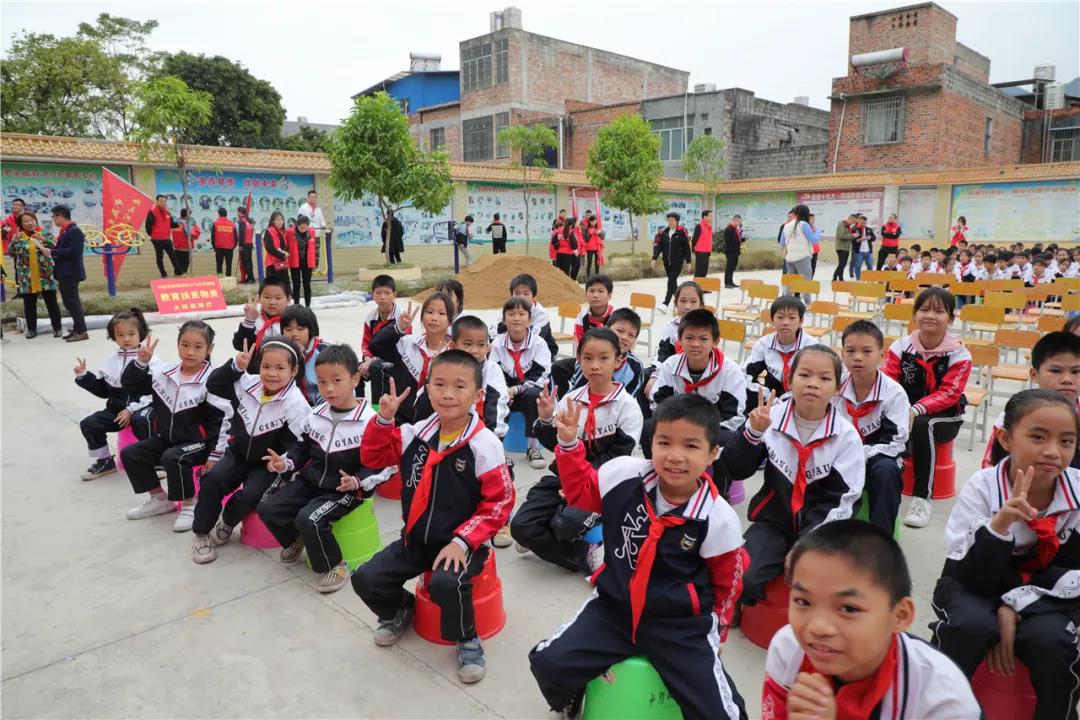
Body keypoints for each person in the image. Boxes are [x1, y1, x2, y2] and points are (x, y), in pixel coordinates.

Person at [529, 394, 749, 720]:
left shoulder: (718, 518)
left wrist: (717, 635)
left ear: (712, 453)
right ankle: (571, 697)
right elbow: (580, 494)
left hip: (680, 626)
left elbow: (727, 583)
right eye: (664, 442)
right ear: (651, 444)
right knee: (548, 663)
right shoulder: (623, 475)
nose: (675, 456)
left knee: (721, 714)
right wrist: (570, 444)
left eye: (691, 446)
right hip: (615, 608)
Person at [351, 351, 515, 684]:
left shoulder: (484, 444)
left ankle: (467, 637)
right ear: (427, 389)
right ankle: (401, 608)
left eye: (459, 386)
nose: (448, 394)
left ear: (478, 395)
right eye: (439, 384)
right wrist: (383, 420)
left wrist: (463, 541)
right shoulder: (415, 433)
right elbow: (373, 457)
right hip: (416, 539)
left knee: (444, 583)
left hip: (462, 545)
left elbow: (500, 503)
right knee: (365, 578)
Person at [931, 389, 1080, 720]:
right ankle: (934, 708)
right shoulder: (983, 487)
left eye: (1067, 441)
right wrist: (999, 526)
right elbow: (962, 569)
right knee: (968, 626)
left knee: (1052, 641)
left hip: (1048, 592)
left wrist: (1015, 605)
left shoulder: (1078, 491)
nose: (1053, 451)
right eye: (1038, 437)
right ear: (1005, 439)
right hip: (974, 583)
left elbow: (1074, 574)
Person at [763, 520, 981, 720]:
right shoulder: (789, 649)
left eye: (848, 608)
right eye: (803, 601)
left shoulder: (942, 701)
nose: (818, 627)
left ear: (900, 616)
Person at [719, 346, 865, 607]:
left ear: (838, 387)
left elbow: (844, 501)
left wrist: (808, 544)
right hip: (774, 522)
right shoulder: (769, 417)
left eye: (824, 378)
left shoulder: (846, 436)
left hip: (823, 528)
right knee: (743, 578)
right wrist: (753, 433)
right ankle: (745, 610)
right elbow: (735, 468)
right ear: (789, 379)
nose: (813, 384)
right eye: (804, 375)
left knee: (824, 590)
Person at [258, 344, 394, 591]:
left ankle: (335, 565)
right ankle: (297, 539)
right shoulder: (316, 414)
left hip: (345, 491)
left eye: (336, 380)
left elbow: (383, 464)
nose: (328, 388)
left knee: (309, 518)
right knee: (268, 507)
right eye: (321, 382)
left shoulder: (369, 422)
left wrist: (357, 481)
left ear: (355, 378)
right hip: (312, 482)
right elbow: (302, 449)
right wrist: (285, 462)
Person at [513, 328, 643, 573]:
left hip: (604, 484)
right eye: (587, 358)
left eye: (603, 358)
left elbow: (617, 460)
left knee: (565, 523)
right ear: (579, 360)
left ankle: (577, 543)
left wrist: (579, 485)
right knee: (520, 526)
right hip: (566, 477)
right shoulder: (571, 399)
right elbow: (555, 445)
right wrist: (545, 418)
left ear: (618, 361)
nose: (594, 365)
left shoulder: (627, 407)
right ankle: (582, 554)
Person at [191, 335, 310, 561]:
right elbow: (214, 384)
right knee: (212, 480)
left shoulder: (296, 403)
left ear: (293, 371)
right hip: (237, 453)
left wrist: (285, 463)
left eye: (280, 368)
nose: (271, 374)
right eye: (266, 366)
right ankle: (201, 533)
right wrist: (235, 367)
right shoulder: (247, 383)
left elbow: (303, 442)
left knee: (252, 495)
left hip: (267, 464)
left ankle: (228, 521)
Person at [119, 322, 227, 531]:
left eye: (198, 346)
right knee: (131, 453)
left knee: (173, 457)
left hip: (200, 444)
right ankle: (160, 500)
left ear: (209, 349)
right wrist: (140, 363)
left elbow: (221, 421)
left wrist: (216, 454)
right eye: (184, 345)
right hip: (168, 439)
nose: (190, 352)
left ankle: (189, 504)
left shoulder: (213, 381)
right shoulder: (164, 372)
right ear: (177, 345)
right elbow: (131, 386)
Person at [883, 288, 971, 529]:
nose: (930, 315)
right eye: (924, 310)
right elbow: (888, 383)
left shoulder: (959, 354)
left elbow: (950, 393)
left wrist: (916, 409)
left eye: (939, 311)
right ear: (915, 315)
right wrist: (899, 410)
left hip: (946, 417)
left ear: (950, 318)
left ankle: (922, 497)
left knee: (924, 424)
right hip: (905, 412)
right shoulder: (901, 346)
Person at [648, 309, 747, 496]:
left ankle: (718, 493)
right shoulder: (670, 365)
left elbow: (734, 414)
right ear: (680, 340)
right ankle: (660, 485)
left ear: (715, 342)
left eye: (703, 339)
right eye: (689, 338)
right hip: (676, 425)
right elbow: (658, 403)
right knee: (649, 429)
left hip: (714, 428)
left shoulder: (730, 371)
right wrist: (679, 427)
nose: (695, 344)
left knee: (726, 440)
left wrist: (700, 430)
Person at [832, 321, 910, 533]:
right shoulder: (834, 387)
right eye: (851, 351)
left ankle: (880, 538)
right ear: (842, 354)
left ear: (882, 356)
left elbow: (896, 443)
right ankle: (828, 535)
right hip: (838, 457)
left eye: (867, 351)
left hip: (878, 459)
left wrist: (858, 455)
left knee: (886, 471)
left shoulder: (894, 393)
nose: (858, 357)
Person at [74, 308, 153, 480]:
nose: (126, 339)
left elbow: (155, 394)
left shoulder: (149, 359)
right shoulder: (111, 360)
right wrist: (84, 376)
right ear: (113, 336)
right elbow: (104, 391)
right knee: (89, 423)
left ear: (141, 333)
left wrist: (131, 410)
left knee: (142, 420)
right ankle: (105, 461)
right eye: (120, 335)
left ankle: (153, 461)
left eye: (131, 334)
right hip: (116, 411)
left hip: (143, 408)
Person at [982, 331, 1080, 469]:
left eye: (1076, 372)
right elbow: (992, 467)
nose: (1067, 379)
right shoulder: (1013, 416)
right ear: (1034, 375)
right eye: (1056, 371)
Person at [369, 293, 452, 424]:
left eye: (442, 313)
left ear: (451, 320)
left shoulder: (454, 354)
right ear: (422, 317)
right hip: (402, 420)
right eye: (429, 312)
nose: (434, 318)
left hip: (437, 423)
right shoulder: (407, 344)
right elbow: (375, 346)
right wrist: (397, 328)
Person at [491, 297, 552, 469]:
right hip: (506, 391)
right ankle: (499, 450)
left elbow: (541, 375)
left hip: (527, 391)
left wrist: (516, 389)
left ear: (530, 319)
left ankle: (533, 447)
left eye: (521, 314)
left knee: (535, 395)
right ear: (504, 320)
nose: (516, 318)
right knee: (492, 397)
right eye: (511, 314)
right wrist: (504, 391)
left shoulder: (539, 344)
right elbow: (494, 374)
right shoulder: (497, 344)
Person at [744, 296, 816, 407]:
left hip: (802, 402)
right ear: (772, 320)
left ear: (801, 321)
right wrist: (771, 399)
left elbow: (818, 380)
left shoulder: (812, 347)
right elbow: (746, 375)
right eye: (780, 317)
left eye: (792, 318)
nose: (786, 322)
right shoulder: (763, 345)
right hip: (770, 401)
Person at [8, 211, 62, 339]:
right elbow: (11, 253)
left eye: (32, 220)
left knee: (52, 304)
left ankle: (57, 328)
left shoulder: (44, 233)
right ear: (21, 224)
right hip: (27, 277)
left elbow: (56, 248)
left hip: (45, 275)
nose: (30, 223)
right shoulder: (19, 237)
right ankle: (31, 329)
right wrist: (14, 240)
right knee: (29, 305)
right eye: (26, 221)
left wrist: (44, 240)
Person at [50, 205, 89, 342]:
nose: (53, 220)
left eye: (54, 216)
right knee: (70, 302)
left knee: (72, 302)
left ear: (60, 216)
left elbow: (74, 252)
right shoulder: (66, 231)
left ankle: (82, 331)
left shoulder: (74, 231)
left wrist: (52, 252)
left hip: (70, 272)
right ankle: (77, 329)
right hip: (64, 271)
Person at [360, 275, 398, 400]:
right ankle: (358, 405)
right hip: (373, 360)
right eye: (378, 293)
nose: (382, 297)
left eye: (387, 293)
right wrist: (367, 359)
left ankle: (377, 408)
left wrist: (372, 361)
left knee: (376, 367)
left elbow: (401, 348)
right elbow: (366, 343)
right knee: (353, 369)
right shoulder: (371, 317)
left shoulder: (401, 317)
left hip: (395, 360)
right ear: (372, 295)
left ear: (394, 295)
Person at [281, 304, 327, 406]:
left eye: (300, 329)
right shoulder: (279, 353)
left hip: (323, 405)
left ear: (310, 329)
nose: (294, 334)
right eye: (288, 329)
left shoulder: (324, 350)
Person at [233, 277, 291, 354]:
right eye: (267, 297)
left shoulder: (292, 322)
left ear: (288, 299)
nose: (272, 302)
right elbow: (239, 345)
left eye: (278, 298)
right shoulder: (255, 321)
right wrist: (249, 321)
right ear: (259, 298)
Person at [656, 280, 703, 364]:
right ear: (675, 303)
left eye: (693, 302)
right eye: (683, 301)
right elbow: (661, 357)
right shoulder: (671, 327)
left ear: (701, 305)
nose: (687, 307)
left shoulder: (706, 329)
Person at [652, 212, 691, 307]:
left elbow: (687, 248)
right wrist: (654, 258)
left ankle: (666, 303)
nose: (669, 222)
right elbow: (659, 246)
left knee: (671, 281)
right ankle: (680, 302)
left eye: (672, 220)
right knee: (673, 283)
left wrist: (688, 262)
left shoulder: (681, 232)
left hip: (677, 262)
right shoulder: (665, 233)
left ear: (677, 221)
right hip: (667, 263)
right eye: (668, 220)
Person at [286, 214, 318, 307]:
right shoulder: (290, 232)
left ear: (308, 226)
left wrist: (315, 262)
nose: (303, 230)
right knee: (296, 285)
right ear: (297, 225)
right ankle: (296, 306)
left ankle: (308, 307)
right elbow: (286, 245)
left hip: (307, 263)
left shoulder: (312, 232)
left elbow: (315, 248)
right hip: (295, 262)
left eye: (305, 228)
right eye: (301, 228)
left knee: (307, 285)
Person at [574, 274, 614, 348]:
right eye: (591, 291)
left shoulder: (616, 317)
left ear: (609, 295)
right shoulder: (582, 316)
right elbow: (579, 344)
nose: (595, 295)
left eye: (600, 291)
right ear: (586, 294)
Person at [144, 194, 178, 278]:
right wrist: (153, 235)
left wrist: (178, 222)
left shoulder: (167, 212)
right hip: (157, 239)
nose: (163, 203)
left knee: (172, 254)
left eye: (165, 201)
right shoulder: (152, 211)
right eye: (161, 201)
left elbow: (172, 225)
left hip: (166, 238)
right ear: (157, 201)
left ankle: (178, 271)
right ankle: (163, 273)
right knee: (160, 255)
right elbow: (148, 225)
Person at [780, 205, 814, 281]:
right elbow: (813, 240)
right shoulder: (804, 224)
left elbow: (782, 242)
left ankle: (786, 290)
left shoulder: (786, 226)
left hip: (790, 258)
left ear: (795, 213)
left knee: (791, 282)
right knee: (806, 282)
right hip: (803, 257)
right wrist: (818, 232)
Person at [262, 211, 291, 291]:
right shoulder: (269, 231)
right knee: (273, 287)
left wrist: (287, 252)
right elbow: (269, 248)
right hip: (272, 264)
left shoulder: (283, 231)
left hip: (282, 263)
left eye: (282, 219)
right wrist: (282, 255)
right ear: (273, 221)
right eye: (278, 219)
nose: (280, 221)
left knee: (285, 286)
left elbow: (285, 246)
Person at [170, 208, 200, 276]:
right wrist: (194, 226)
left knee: (177, 269)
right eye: (190, 215)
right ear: (187, 215)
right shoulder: (186, 224)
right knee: (183, 270)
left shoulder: (175, 223)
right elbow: (194, 234)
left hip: (176, 249)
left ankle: (176, 280)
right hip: (185, 249)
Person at [211, 207, 237, 277]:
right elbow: (236, 238)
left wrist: (214, 247)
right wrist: (233, 247)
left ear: (219, 214)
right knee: (229, 264)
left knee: (219, 264)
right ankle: (228, 279)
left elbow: (212, 237)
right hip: (229, 248)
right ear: (226, 214)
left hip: (219, 247)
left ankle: (220, 278)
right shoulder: (232, 224)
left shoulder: (215, 223)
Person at [833, 213, 857, 282]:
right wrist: (852, 236)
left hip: (846, 248)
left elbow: (848, 236)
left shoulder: (848, 226)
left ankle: (840, 278)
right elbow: (841, 236)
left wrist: (854, 236)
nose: (853, 223)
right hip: (841, 247)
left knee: (843, 264)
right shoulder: (841, 224)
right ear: (850, 219)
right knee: (842, 263)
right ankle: (835, 277)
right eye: (853, 221)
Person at [849, 214, 874, 280]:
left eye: (865, 223)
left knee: (870, 266)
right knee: (857, 266)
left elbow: (874, 238)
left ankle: (869, 279)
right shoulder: (854, 229)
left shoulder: (869, 229)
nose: (863, 224)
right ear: (859, 221)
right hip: (859, 252)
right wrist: (858, 240)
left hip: (868, 251)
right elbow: (852, 240)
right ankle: (858, 279)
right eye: (862, 222)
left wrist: (869, 238)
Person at [235, 206, 255, 284]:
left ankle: (250, 279)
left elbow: (242, 234)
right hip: (249, 243)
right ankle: (251, 277)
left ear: (240, 213)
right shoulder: (248, 220)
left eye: (237, 212)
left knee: (245, 262)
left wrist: (240, 246)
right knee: (249, 262)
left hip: (245, 244)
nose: (237, 214)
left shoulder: (242, 221)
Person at [691, 209, 714, 278]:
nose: (711, 218)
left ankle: (702, 284)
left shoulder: (709, 227)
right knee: (699, 271)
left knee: (704, 271)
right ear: (704, 217)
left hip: (707, 252)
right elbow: (694, 239)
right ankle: (696, 284)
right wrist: (693, 249)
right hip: (700, 252)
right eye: (710, 216)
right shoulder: (699, 226)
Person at [723, 214, 743, 289]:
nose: (739, 223)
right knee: (729, 268)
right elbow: (728, 242)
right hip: (731, 252)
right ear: (735, 220)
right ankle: (727, 283)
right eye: (739, 222)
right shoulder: (729, 229)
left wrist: (742, 240)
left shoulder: (734, 229)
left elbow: (736, 239)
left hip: (735, 252)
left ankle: (731, 282)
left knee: (732, 268)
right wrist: (732, 250)